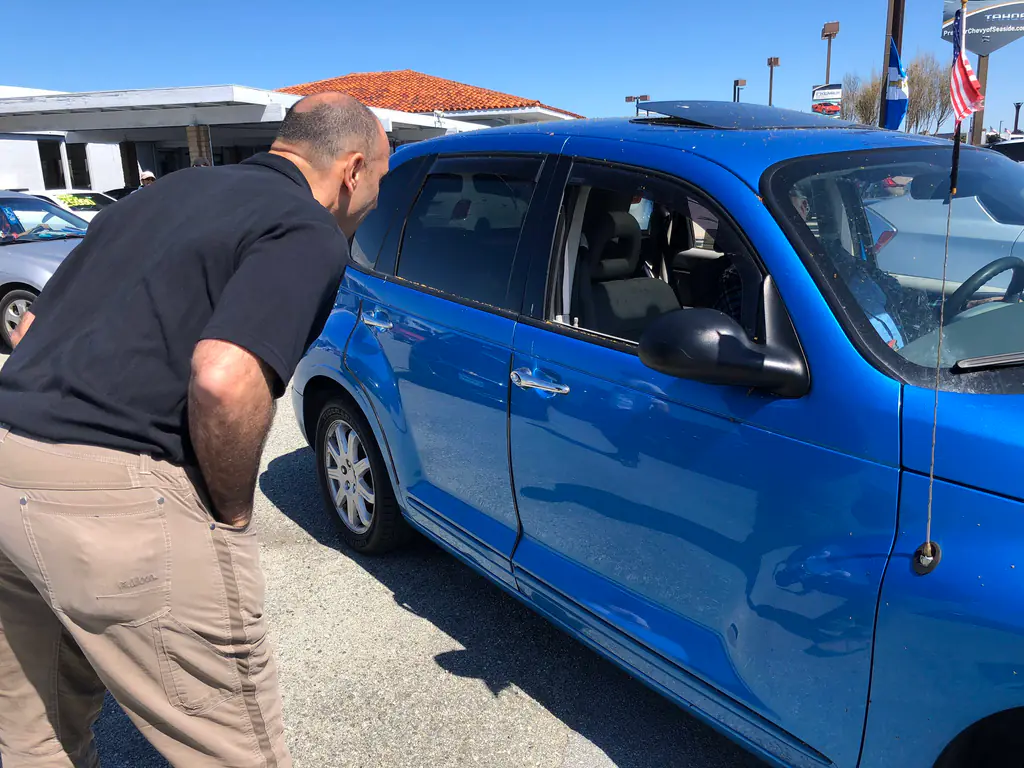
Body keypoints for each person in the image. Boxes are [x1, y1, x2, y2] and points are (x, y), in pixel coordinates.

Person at [0, 92, 389, 767]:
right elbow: (222, 378)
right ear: (352, 169)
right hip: (113, 496)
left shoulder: (158, 197)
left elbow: (33, 327)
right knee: (230, 747)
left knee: (36, 735)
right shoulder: (305, 227)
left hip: (8, 454)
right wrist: (230, 512)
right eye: (382, 176)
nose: (378, 196)